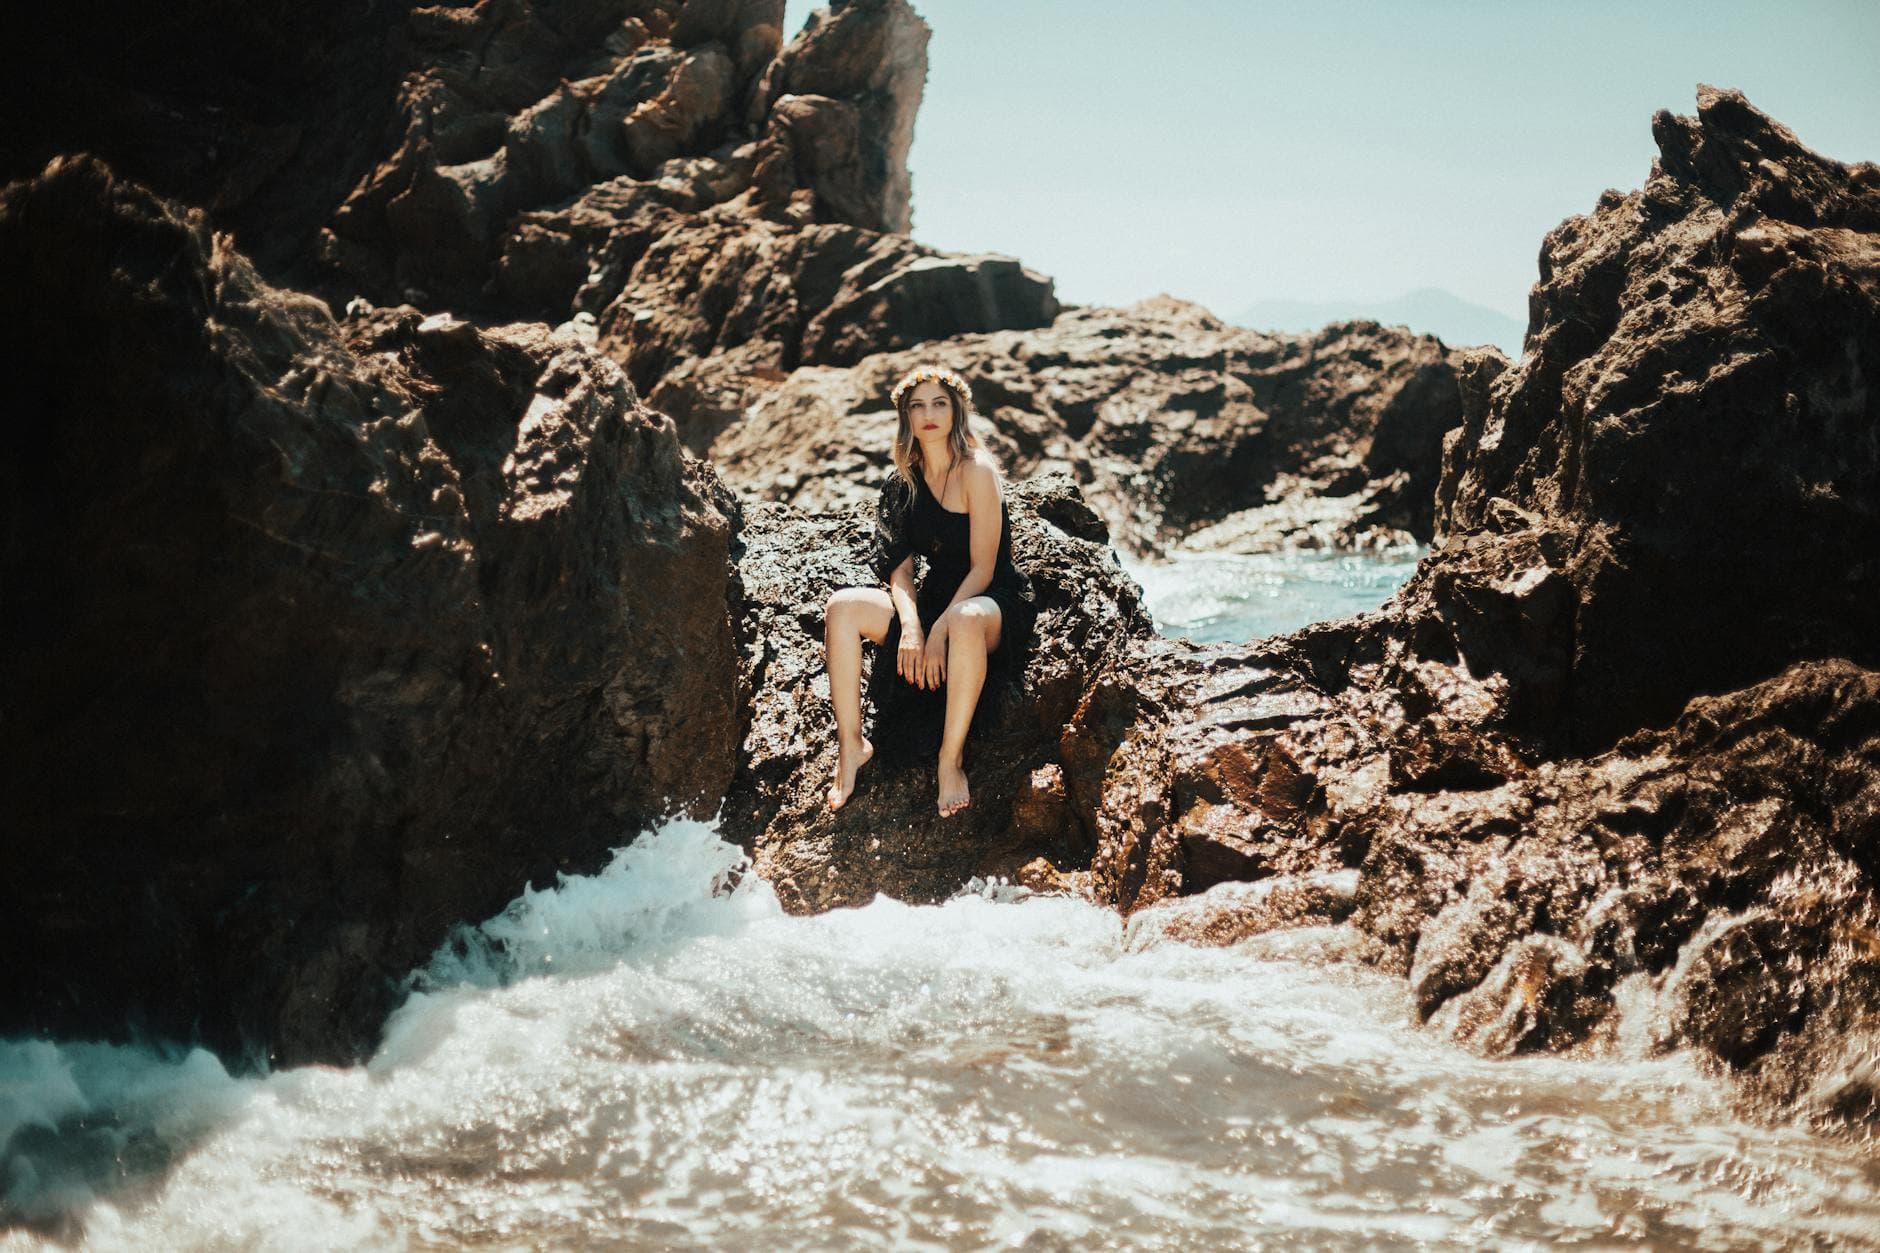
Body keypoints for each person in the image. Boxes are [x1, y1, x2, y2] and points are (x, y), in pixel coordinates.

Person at [823, 365, 1036, 817]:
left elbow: (984, 566)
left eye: (940, 403)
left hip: (989, 600)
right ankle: (851, 745)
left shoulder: (977, 471)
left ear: (957, 410)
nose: (929, 414)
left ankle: (949, 758)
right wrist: (913, 626)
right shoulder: (902, 480)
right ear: (906, 417)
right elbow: (899, 571)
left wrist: (938, 631)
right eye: (917, 406)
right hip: (933, 599)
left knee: (964, 620)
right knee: (842, 607)